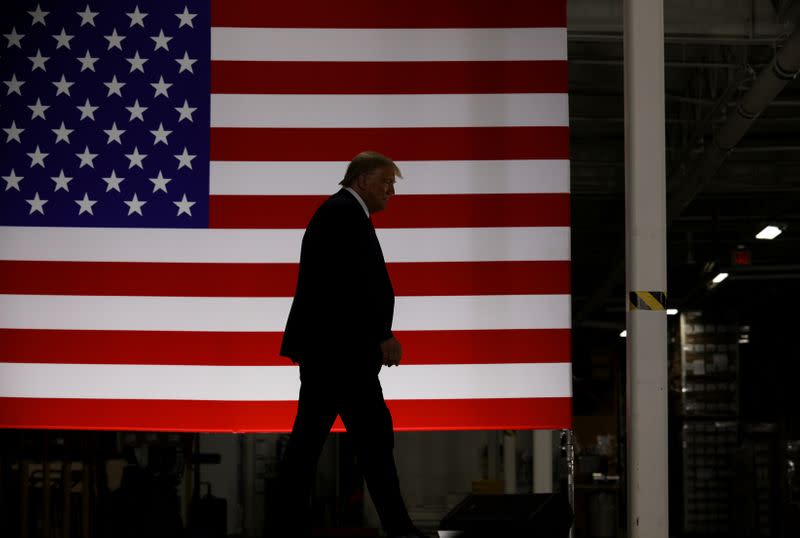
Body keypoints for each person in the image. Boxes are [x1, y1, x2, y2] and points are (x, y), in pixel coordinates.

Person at [273, 151, 426, 537]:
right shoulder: (343, 214)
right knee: (372, 442)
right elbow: (350, 286)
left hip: (333, 354)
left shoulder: (341, 213)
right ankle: (400, 529)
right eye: (386, 182)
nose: (391, 191)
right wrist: (381, 333)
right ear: (361, 180)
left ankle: (284, 528)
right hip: (342, 356)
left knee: (310, 448)